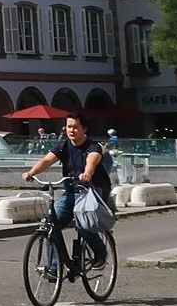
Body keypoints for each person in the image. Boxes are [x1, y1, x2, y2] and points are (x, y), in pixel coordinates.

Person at [20, 114, 111, 276]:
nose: (71, 130)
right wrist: (31, 172)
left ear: (84, 129)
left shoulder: (93, 147)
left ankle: (100, 252)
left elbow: (92, 161)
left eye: (76, 127)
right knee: (50, 225)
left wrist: (87, 174)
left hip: (92, 191)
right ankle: (55, 267)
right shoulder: (63, 146)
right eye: (69, 127)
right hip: (71, 192)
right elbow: (46, 161)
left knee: (83, 224)